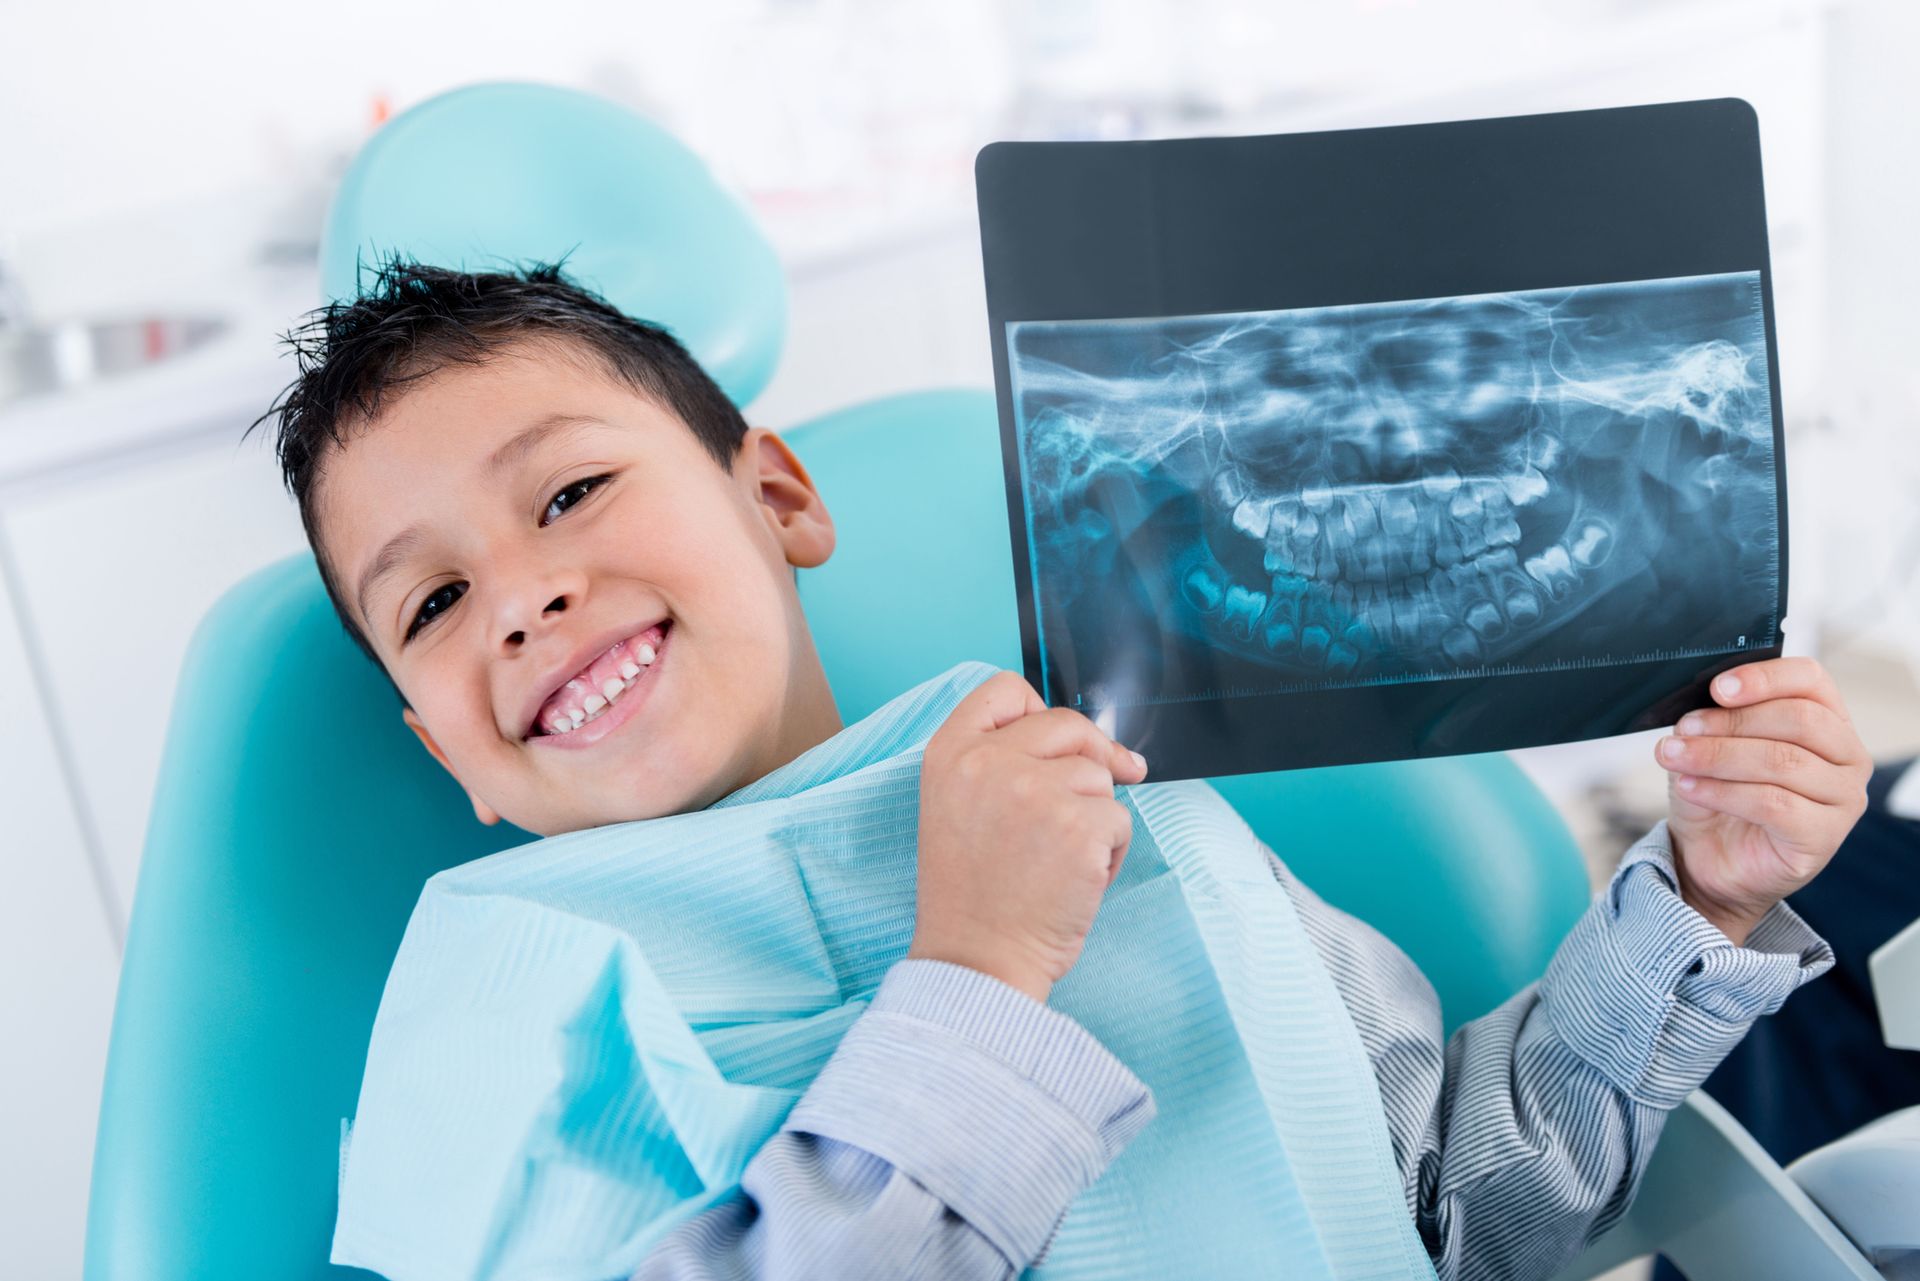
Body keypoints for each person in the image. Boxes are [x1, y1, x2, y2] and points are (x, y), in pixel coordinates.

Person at [247, 258, 1872, 1280]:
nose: (521, 596)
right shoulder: (500, 996)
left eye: (568, 494)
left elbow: (1458, 1213)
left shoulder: (1085, 784)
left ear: (781, 499)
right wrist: (979, 981)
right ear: (441, 748)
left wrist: (1704, 902)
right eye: (435, 600)